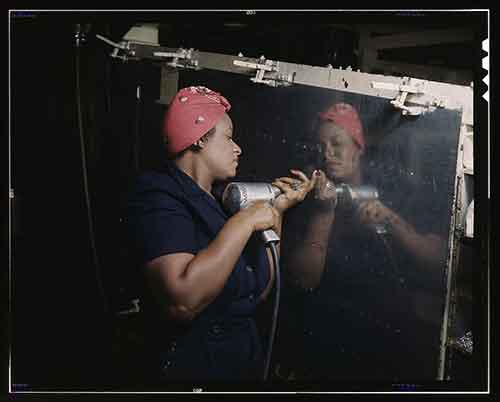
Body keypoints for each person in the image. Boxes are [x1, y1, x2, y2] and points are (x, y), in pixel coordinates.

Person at [125, 86, 317, 382]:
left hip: (240, 361)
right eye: (228, 137)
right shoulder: (159, 194)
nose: (237, 148)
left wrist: (275, 211)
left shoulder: (217, 202)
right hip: (194, 371)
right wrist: (244, 222)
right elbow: (182, 301)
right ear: (200, 138)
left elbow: (259, 291)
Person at [276, 102, 448, 381]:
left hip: (387, 337)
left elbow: (440, 260)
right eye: (321, 146)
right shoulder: (305, 198)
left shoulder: (392, 188)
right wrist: (324, 212)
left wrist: (390, 220)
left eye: (337, 143)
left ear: (358, 148)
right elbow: (303, 279)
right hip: (326, 339)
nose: (328, 154)